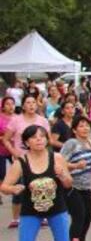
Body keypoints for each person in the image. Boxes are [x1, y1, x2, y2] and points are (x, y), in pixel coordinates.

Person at [2, 125, 75, 241]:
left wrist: (63, 176)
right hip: (30, 211)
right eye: (34, 137)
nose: (39, 140)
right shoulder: (21, 162)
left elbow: (69, 184)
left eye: (42, 136)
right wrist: (13, 189)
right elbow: (3, 186)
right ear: (26, 142)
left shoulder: (56, 158)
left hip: (56, 208)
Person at [2, 95, 50, 229]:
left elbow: (48, 140)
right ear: (23, 106)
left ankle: (42, 214)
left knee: (40, 187)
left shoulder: (43, 121)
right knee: (19, 188)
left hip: (40, 159)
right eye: (28, 103)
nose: (31, 105)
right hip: (21, 160)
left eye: (33, 102)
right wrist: (14, 152)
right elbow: (6, 139)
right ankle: (16, 218)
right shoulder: (16, 121)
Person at [61, 115, 91, 241]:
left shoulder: (90, 142)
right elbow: (60, 163)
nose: (85, 128)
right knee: (79, 216)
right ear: (74, 130)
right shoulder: (71, 143)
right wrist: (75, 166)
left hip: (86, 186)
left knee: (88, 214)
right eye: (81, 126)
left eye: (86, 125)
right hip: (72, 186)